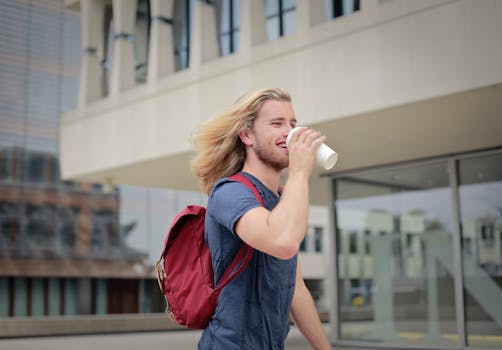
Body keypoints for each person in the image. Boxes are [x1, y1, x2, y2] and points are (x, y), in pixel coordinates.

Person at [191, 87, 332, 350]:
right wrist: (300, 172)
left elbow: (296, 289)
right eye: (277, 123)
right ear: (247, 135)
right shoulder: (229, 192)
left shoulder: (281, 199)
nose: (290, 132)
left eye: (292, 123)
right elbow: (281, 241)